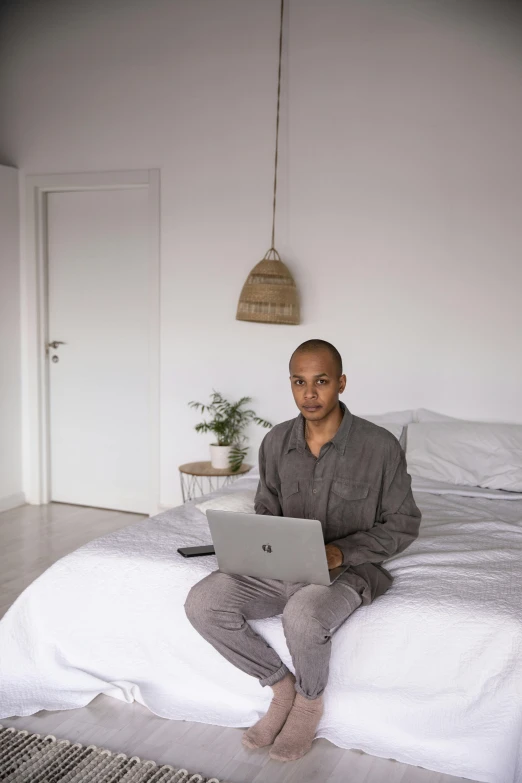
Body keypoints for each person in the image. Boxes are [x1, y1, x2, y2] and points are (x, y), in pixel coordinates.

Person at [185, 339, 422, 762]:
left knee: (302, 615)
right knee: (203, 602)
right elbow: (265, 510)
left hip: (348, 570)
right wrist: (250, 543)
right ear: (291, 385)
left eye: (321, 381)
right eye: (299, 382)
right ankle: (280, 686)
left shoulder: (380, 447)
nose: (309, 393)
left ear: (341, 384)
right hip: (280, 565)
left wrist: (339, 553)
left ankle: (309, 702)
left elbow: (403, 524)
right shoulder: (275, 443)